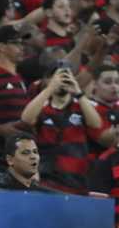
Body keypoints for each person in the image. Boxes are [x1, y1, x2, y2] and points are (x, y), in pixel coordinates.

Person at [21, 66, 101, 194]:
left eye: (66, 79)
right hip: (47, 179)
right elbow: (26, 118)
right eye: (58, 79)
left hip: (77, 179)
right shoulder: (42, 106)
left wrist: (78, 92)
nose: (63, 82)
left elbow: (96, 124)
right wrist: (50, 88)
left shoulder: (82, 105)